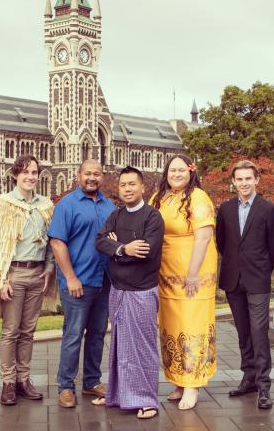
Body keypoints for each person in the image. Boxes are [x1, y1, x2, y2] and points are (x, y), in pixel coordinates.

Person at [0, 155, 56, 405]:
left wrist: (50, 267)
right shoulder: (4, 204)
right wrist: (1, 280)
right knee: (10, 331)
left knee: (28, 332)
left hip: (37, 274)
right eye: (25, 172)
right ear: (15, 175)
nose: (30, 177)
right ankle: (8, 383)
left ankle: (24, 380)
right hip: (14, 274)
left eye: (34, 172)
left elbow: (53, 240)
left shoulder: (46, 204)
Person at [94, 166, 164, 419]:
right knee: (120, 345)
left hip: (142, 291)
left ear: (143, 187)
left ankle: (147, 400)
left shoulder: (152, 217)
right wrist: (123, 248)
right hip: (118, 290)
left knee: (143, 346)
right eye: (123, 185)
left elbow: (147, 253)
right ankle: (118, 394)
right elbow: (100, 241)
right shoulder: (116, 215)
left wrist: (116, 251)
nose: (127, 189)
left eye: (132, 184)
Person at [150, 154, 217, 410]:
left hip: (193, 273)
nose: (176, 174)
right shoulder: (159, 198)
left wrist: (192, 274)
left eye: (181, 170)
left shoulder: (198, 197)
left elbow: (203, 238)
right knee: (171, 325)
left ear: (191, 172)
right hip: (165, 273)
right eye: (172, 170)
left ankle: (193, 384)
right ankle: (179, 380)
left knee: (193, 325)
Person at [47, 159, 116, 408]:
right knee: (73, 335)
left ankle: (91, 381)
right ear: (79, 175)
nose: (92, 178)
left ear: (102, 177)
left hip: (104, 281)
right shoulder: (67, 204)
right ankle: (65, 386)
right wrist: (70, 276)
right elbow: (57, 242)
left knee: (97, 334)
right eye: (88, 173)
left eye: (97, 174)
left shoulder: (109, 206)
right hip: (78, 282)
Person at [215, 160, 274, 410]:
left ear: (257, 180)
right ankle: (249, 378)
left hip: (257, 281)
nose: (243, 183)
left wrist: (262, 269)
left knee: (258, 332)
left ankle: (264, 386)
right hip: (233, 280)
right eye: (239, 179)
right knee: (243, 333)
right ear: (233, 182)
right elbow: (221, 242)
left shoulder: (267, 209)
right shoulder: (225, 208)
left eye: (248, 178)